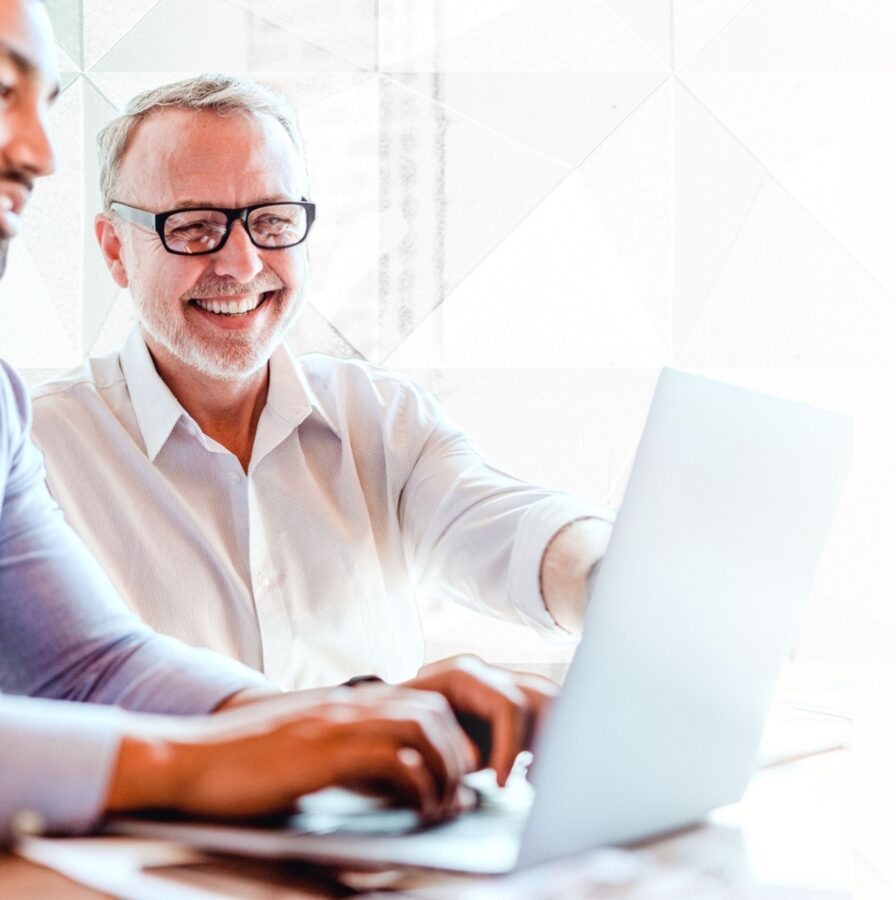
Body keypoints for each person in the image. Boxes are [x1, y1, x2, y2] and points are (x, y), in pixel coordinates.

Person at [0, 1, 553, 893]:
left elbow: (88, 666)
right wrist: (187, 765)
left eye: (45, 103)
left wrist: (356, 724)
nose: (40, 153)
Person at [31, 75, 615, 690]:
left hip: (389, 789)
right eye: (194, 227)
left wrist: (608, 579)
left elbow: (500, 526)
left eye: (274, 221)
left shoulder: (380, 417)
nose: (242, 264)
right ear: (117, 250)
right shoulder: (35, 450)